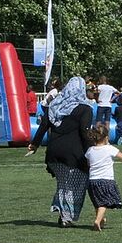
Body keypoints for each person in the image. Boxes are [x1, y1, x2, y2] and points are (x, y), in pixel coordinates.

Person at [26, 76, 94, 228]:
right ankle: (66, 217)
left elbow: (43, 126)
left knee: (63, 184)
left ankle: (62, 213)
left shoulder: (55, 106)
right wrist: (91, 152)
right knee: (75, 184)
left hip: (54, 153)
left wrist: (35, 144)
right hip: (74, 154)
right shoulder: (85, 109)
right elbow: (85, 133)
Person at [84, 123, 122, 231]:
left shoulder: (90, 150)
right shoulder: (110, 149)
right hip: (106, 180)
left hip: (92, 181)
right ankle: (97, 221)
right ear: (106, 138)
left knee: (97, 202)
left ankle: (101, 220)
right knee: (104, 202)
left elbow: (88, 164)